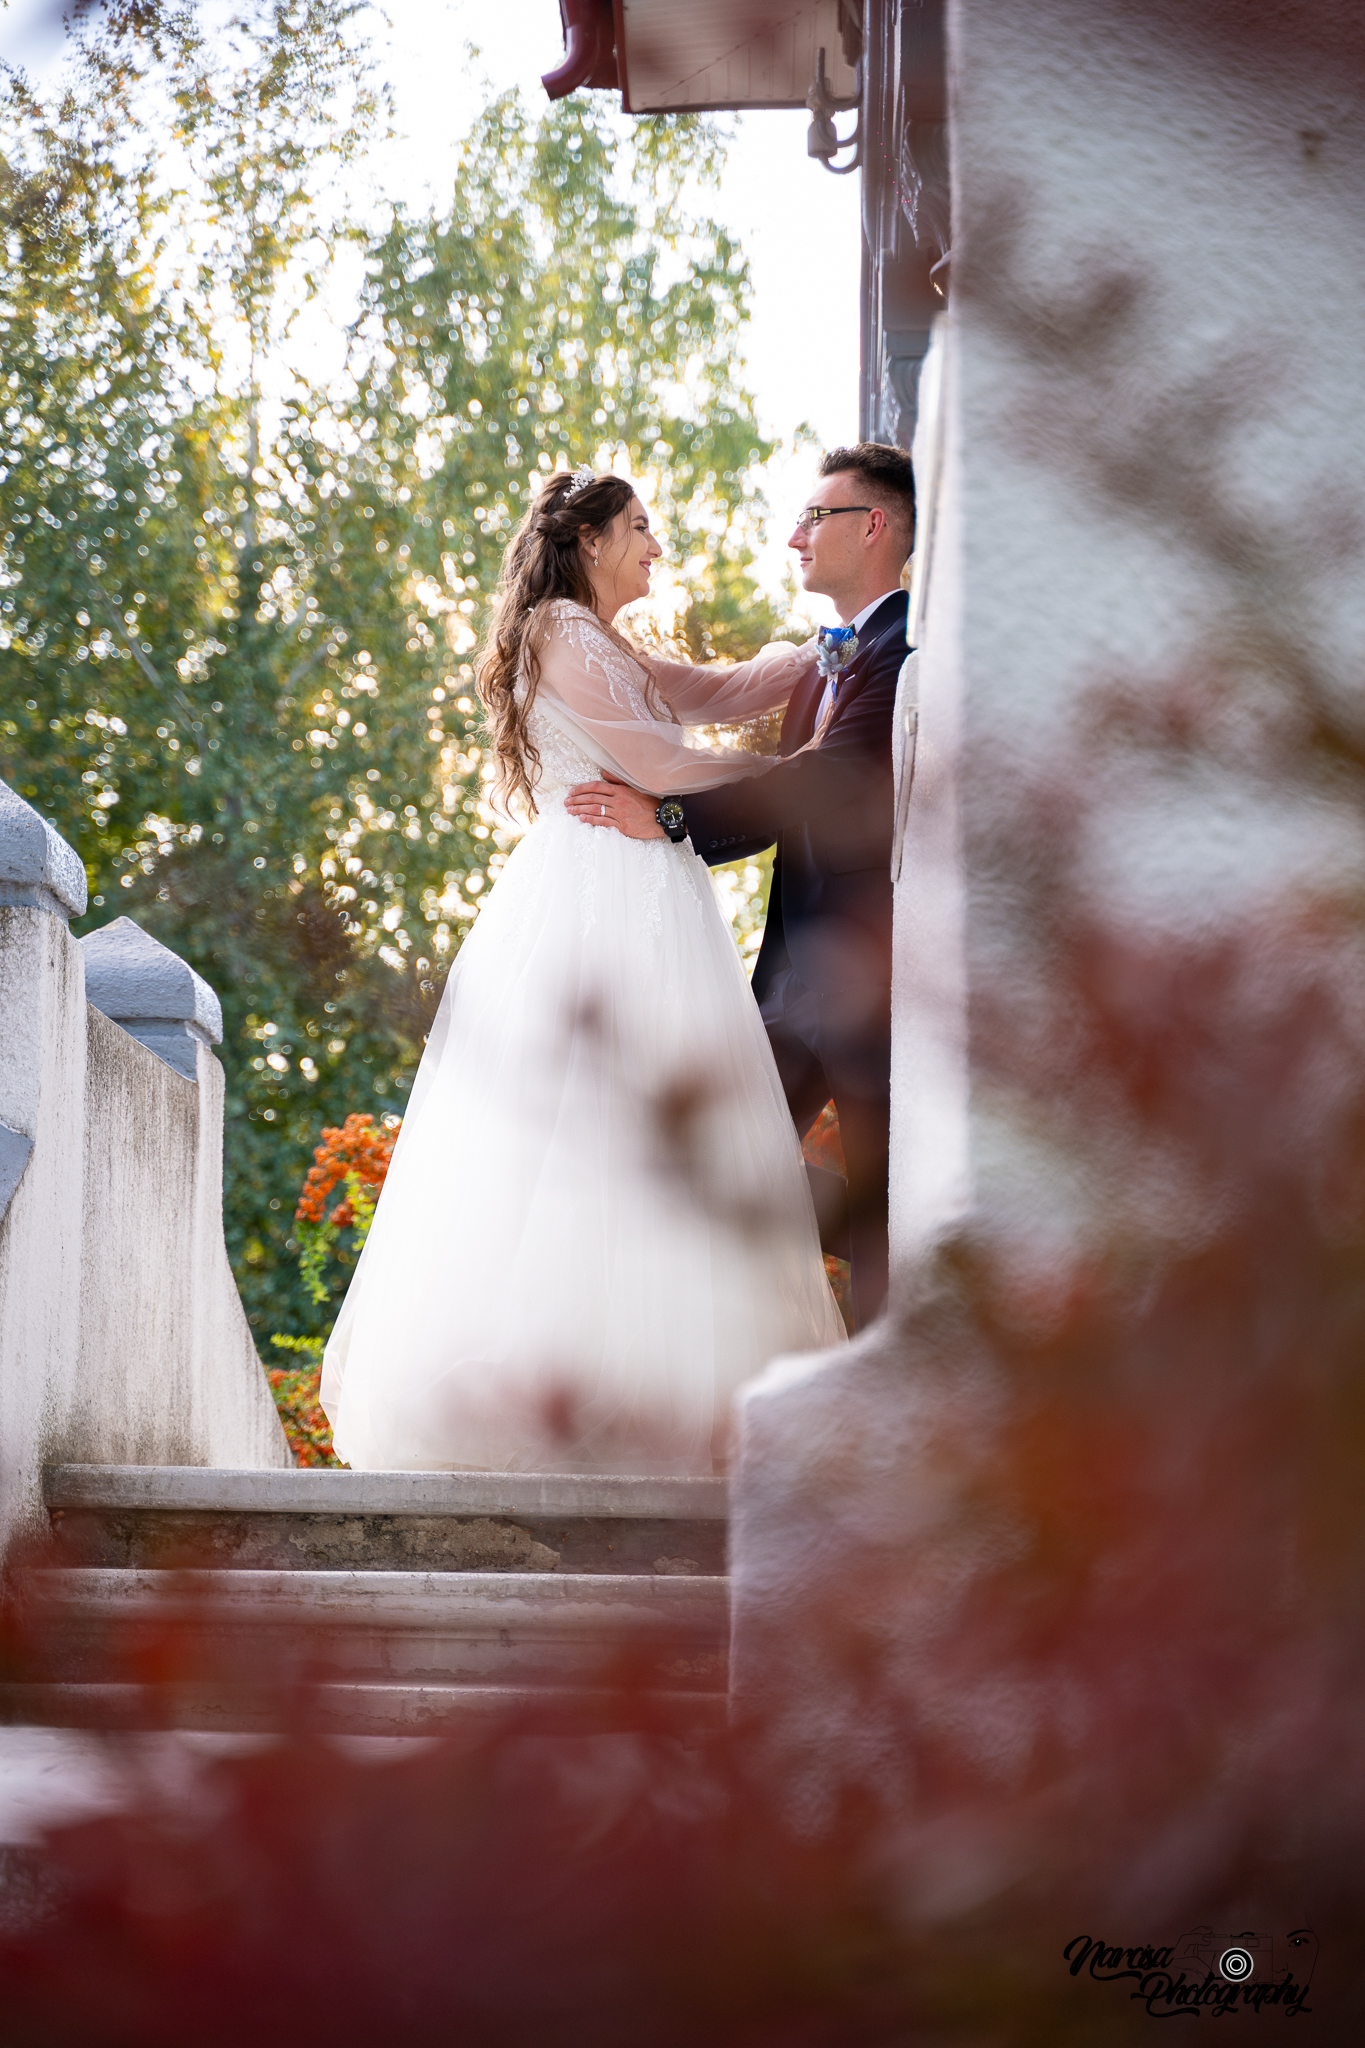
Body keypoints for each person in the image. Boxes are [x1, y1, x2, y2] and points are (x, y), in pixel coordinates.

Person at [319, 468, 846, 1475]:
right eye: (640, 527)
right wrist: (801, 777)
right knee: (589, 1128)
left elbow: (714, 690)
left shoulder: (606, 643)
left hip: (646, 880)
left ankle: (647, 1383)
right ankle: (566, 1397)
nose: (656, 545)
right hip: (599, 892)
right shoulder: (559, 630)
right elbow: (663, 765)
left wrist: (816, 657)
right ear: (590, 539)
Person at [566, 443, 913, 1332]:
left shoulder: (904, 646)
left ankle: (894, 1313)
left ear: (872, 525)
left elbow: (826, 778)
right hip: (792, 979)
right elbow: (776, 805)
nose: (794, 536)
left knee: (878, 1197)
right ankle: (894, 1230)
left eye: (813, 517)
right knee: (706, 1158)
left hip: (873, 983)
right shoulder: (828, 663)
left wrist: (669, 816)